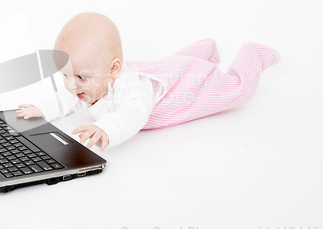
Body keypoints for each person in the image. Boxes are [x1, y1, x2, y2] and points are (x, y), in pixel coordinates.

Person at [16, 12, 280, 152]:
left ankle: (252, 55)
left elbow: (134, 113)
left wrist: (106, 128)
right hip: (165, 71)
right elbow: (69, 98)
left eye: (80, 77)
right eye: (64, 75)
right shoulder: (90, 84)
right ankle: (207, 50)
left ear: (114, 68)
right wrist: (43, 109)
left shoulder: (131, 89)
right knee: (172, 63)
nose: (72, 86)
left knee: (232, 88)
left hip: (181, 89)